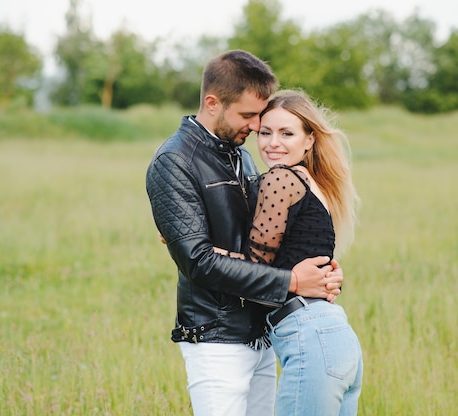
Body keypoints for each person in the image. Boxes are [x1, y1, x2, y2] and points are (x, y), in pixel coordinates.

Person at [145, 50, 344, 416]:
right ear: (212, 103)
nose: (256, 128)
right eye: (249, 116)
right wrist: (293, 282)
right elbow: (198, 262)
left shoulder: (243, 156)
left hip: (261, 330)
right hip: (216, 335)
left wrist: (325, 272)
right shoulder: (174, 161)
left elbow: (275, 236)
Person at [249, 89, 363, 415]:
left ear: (309, 140)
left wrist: (198, 249)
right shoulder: (314, 184)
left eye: (287, 133)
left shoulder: (280, 179)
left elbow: (255, 267)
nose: (273, 143)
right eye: (265, 132)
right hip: (336, 338)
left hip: (309, 339)